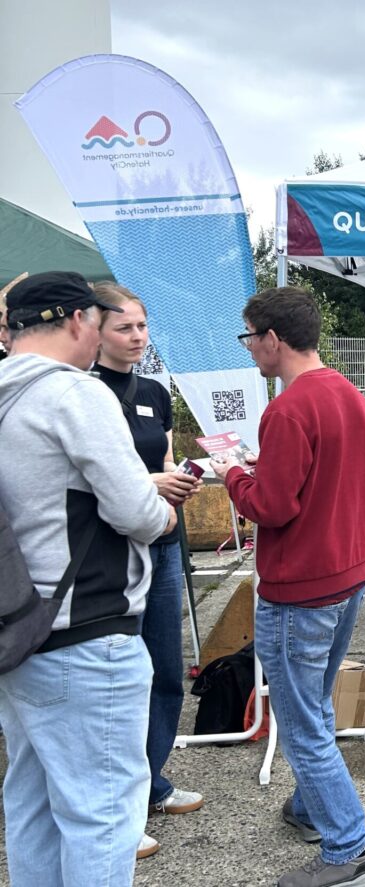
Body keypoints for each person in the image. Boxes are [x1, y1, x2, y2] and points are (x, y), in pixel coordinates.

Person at [0, 271, 176, 886]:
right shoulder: (76, 394)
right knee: (103, 814)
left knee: (32, 802)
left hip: (18, 630)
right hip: (86, 629)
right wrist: (165, 510)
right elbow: (134, 510)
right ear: (79, 321)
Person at [211, 286, 365, 887]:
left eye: (249, 337)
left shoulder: (286, 410)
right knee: (316, 704)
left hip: (299, 589)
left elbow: (274, 507)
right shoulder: (348, 396)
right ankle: (312, 808)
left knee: (304, 725)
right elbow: (335, 480)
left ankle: (351, 850)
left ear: (272, 340)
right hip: (348, 576)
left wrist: (231, 472)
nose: (250, 348)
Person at [93, 283, 204, 859]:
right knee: (118, 680)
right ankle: (118, 809)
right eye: (124, 328)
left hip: (162, 540)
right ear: (94, 329)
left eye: (142, 327)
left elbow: (160, 460)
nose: (137, 337)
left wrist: (176, 481)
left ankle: (152, 782)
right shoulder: (81, 393)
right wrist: (148, 487)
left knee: (164, 667)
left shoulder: (155, 391)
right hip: (110, 552)